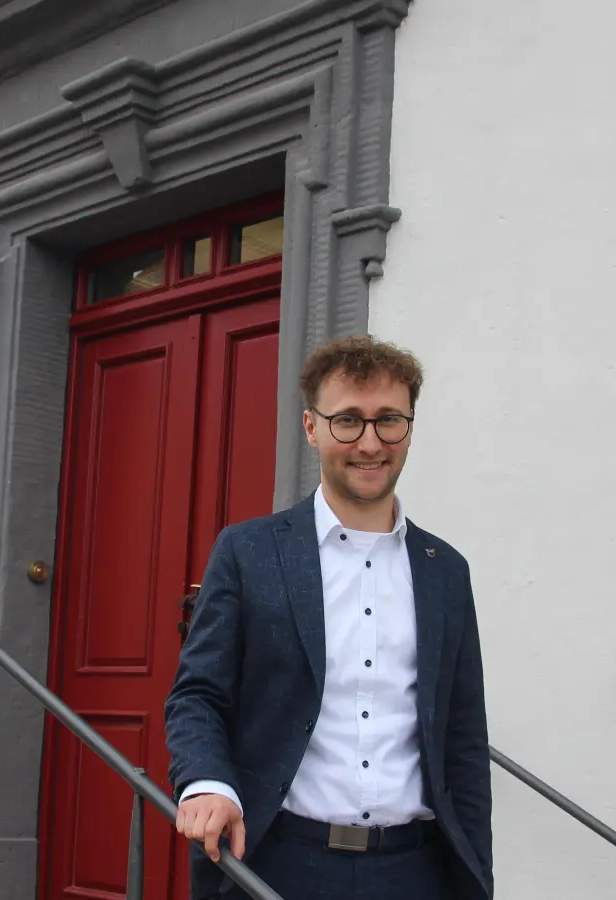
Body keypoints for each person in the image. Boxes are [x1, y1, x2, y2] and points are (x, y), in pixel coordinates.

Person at [164, 335, 493, 900]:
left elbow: (463, 738)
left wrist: (476, 877)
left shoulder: (446, 570)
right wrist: (207, 782)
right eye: (347, 421)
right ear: (312, 427)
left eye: (389, 419)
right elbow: (198, 694)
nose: (370, 442)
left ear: (409, 427)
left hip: (415, 873)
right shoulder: (248, 551)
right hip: (279, 859)